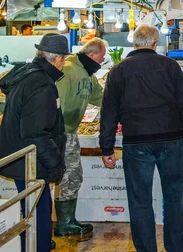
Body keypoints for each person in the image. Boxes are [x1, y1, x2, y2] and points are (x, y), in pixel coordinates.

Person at [99, 25, 183, 252]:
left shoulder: (118, 71)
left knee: (140, 199)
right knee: (174, 195)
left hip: (136, 142)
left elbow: (109, 113)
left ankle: (146, 249)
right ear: (155, 44)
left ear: (133, 44)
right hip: (171, 140)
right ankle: (176, 246)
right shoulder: (170, 66)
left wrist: (106, 148)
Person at [0, 34, 70, 251]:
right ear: (57, 58)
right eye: (63, 59)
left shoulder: (27, 74)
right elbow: (36, 133)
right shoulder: (42, 84)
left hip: (22, 156)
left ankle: (33, 245)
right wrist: (56, 164)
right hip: (31, 161)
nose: (64, 63)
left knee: (34, 211)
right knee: (38, 214)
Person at [54, 38, 107, 239]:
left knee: (73, 176)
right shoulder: (68, 69)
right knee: (69, 175)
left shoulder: (88, 74)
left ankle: (67, 221)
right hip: (59, 132)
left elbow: (101, 98)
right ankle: (64, 223)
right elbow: (55, 102)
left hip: (71, 132)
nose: (102, 61)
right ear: (92, 54)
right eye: (101, 57)